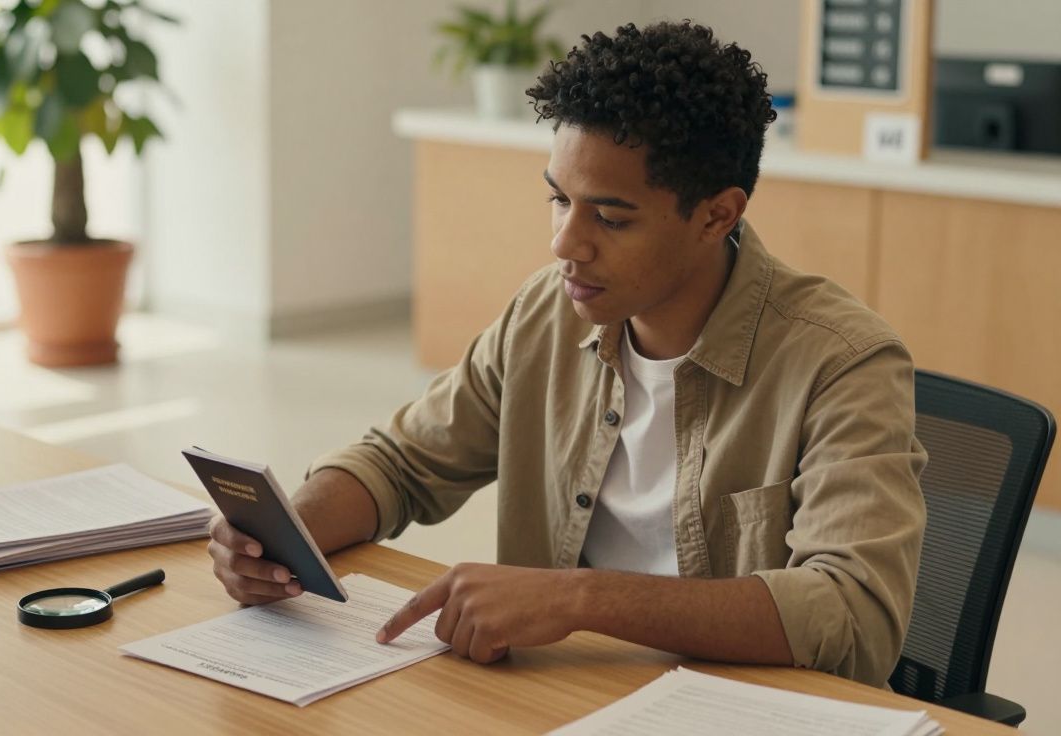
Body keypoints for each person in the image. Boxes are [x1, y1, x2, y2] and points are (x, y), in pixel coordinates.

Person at [207, 20, 926, 688]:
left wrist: (580, 597)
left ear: (717, 214)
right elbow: (401, 464)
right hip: (562, 693)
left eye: (610, 217)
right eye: (560, 200)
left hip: (735, 708)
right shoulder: (546, 311)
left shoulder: (843, 361)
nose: (565, 244)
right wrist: (283, 536)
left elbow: (853, 615)